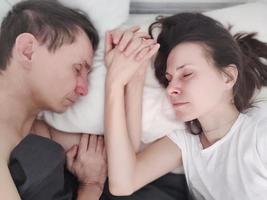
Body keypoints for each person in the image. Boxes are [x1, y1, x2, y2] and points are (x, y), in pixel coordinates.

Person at [104, 12, 267, 200]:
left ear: (228, 76)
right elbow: (123, 183)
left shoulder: (259, 134)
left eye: (187, 74)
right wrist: (124, 80)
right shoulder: (185, 145)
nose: (171, 89)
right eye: (169, 79)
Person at [0, 0, 107, 199]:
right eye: (77, 69)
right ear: (27, 50)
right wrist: (92, 187)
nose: (83, 89)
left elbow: (122, 156)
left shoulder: (41, 130)